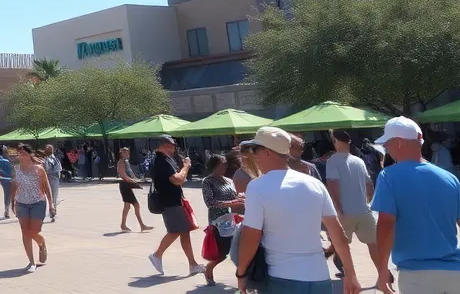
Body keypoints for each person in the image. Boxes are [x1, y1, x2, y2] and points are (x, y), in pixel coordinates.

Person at [370, 116, 460, 294]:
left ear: (400, 142)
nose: (385, 148)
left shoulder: (388, 176)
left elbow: (386, 225)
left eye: (388, 143)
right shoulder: (449, 178)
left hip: (417, 277)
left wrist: (382, 270)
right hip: (458, 276)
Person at [235, 126, 359, 294]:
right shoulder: (314, 184)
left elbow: (251, 237)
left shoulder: (257, 187)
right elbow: (338, 234)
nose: (253, 156)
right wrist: (350, 274)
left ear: (267, 152)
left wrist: (241, 274)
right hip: (320, 279)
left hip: (281, 279)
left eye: (255, 150)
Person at [325, 129, 380, 282]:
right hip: (363, 210)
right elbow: (369, 185)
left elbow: (332, 185)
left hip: (345, 212)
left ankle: (349, 275)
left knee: (342, 246)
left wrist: (338, 209)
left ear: (335, 141)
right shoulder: (359, 161)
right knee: (373, 245)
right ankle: (382, 273)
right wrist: (368, 202)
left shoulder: (333, 161)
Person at [148, 135, 203, 277]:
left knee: (184, 231)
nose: (174, 147)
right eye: (173, 144)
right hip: (170, 202)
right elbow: (177, 180)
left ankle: (193, 264)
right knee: (175, 231)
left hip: (173, 200)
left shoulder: (164, 159)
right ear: (165, 145)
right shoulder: (161, 160)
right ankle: (157, 255)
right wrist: (186, 166)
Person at [201, 154, 243, 285]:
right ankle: (209, 267)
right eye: (223, 164)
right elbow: (210, 202)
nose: (225, 166)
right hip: (218, 221)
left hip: (231, 219)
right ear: (215, 165)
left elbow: (236, 195)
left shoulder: (228, 180)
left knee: (238, 249)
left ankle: (242, 279)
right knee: (222, 252)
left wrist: (241, 198)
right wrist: (232, 203)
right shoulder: (208, 181)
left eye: (225, 164)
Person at [13, 144, 53, 273]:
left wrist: (51, 204)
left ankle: (41, 243)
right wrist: (11, 202)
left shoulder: (39, 169)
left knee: (33, 231)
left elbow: (47, 187)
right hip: (21, 203)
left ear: (30, 155)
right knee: (25, 231)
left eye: (23, 153)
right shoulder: (16, 169)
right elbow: (15, 186)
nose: (21, 156)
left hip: (37, 202)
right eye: (19, 154)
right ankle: (31, 262)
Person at [117, 146, 154, 232]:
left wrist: (137, 180)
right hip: (125, 185)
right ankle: (142, 226)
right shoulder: (121, 162)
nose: (128, 154)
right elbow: (123, 175)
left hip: (127, 185)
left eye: (128, 152)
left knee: (127, 206)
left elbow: (130, 173)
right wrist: (133, 181)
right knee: (136, 205)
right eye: (125, 153)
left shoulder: (126, 162)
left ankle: (123, 225)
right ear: (121, 153)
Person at [0, 145, 15, 218]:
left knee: (7, 194)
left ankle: (7, 210)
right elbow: (11, 171)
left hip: (3, 179)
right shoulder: (6, 161)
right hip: (9, 179)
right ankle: (10, 210)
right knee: (12, 194)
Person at [43, 144, 62, 220]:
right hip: (48, 179)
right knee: (50, 195)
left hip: (53, 179)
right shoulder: (46, 159)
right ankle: (52, 210)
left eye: (50, 149)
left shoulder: (54, 159)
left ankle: (53, 210)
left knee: (53, 195)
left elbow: (58, 170)